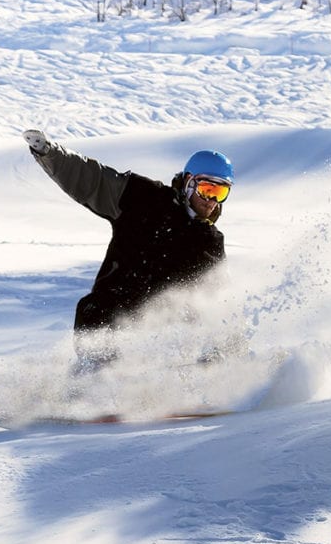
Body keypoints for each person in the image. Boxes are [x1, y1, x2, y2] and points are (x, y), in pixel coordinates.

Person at [22, 129, 233, 369]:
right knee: (93, 309)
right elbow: (92, 179)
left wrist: (232, 355)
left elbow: (221, 301)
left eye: (220, 192)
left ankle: (189, 382)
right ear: (188, 182)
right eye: (207, 188)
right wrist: (50, 154)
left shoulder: (210, 242)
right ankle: (93, 381)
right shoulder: (145, 198)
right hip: (112, 315)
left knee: (196, 318)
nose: (211, 200)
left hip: (165, 335)